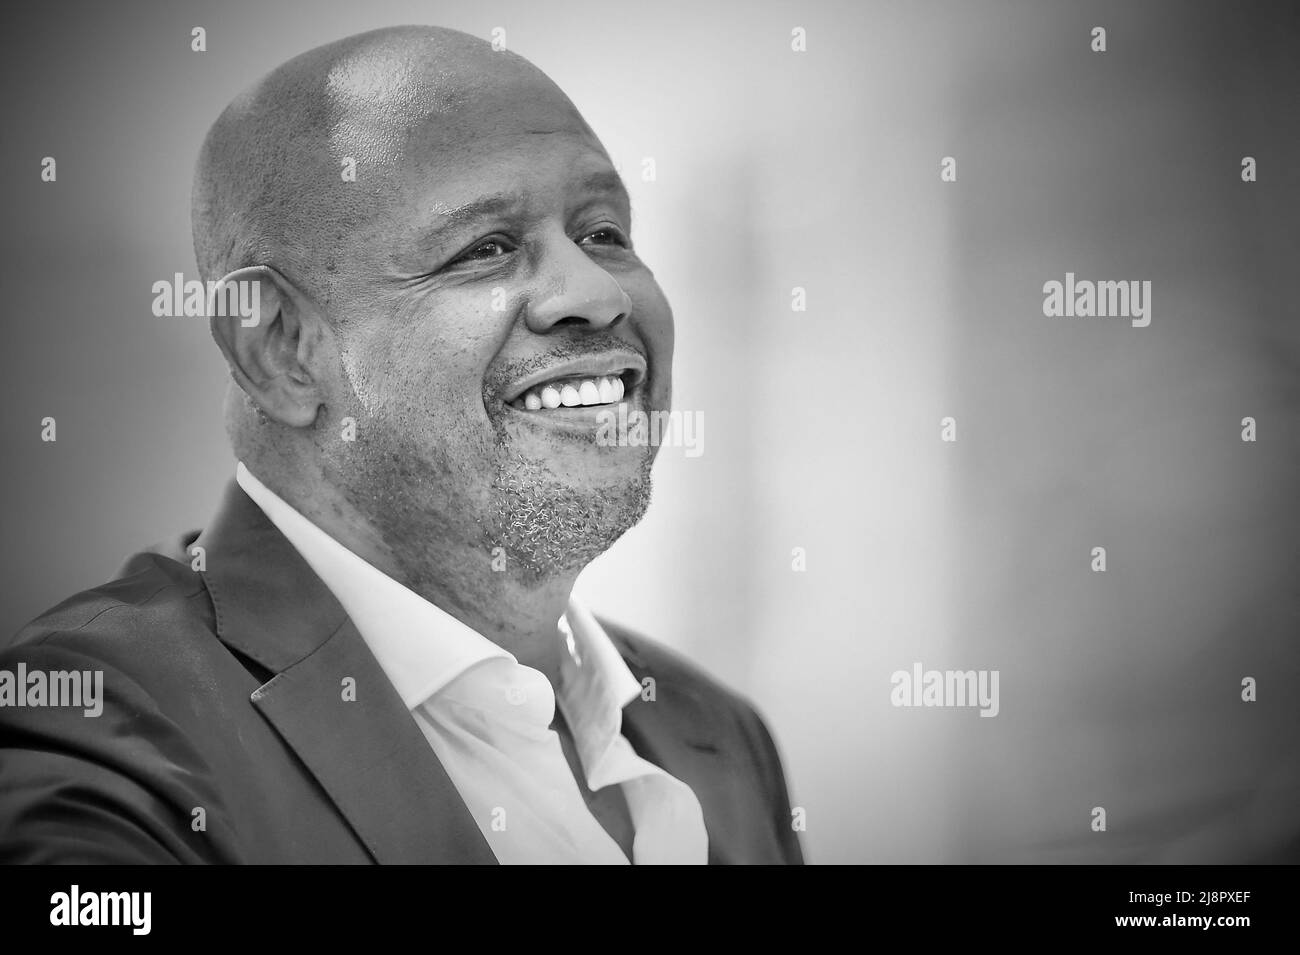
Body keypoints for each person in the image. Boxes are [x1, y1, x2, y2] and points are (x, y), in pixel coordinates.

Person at [0, 25, 802, 864]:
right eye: (485, 248)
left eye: (604, 232)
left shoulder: (718, 735)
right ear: (280, 347)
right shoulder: (98, 729)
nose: (597, 294)